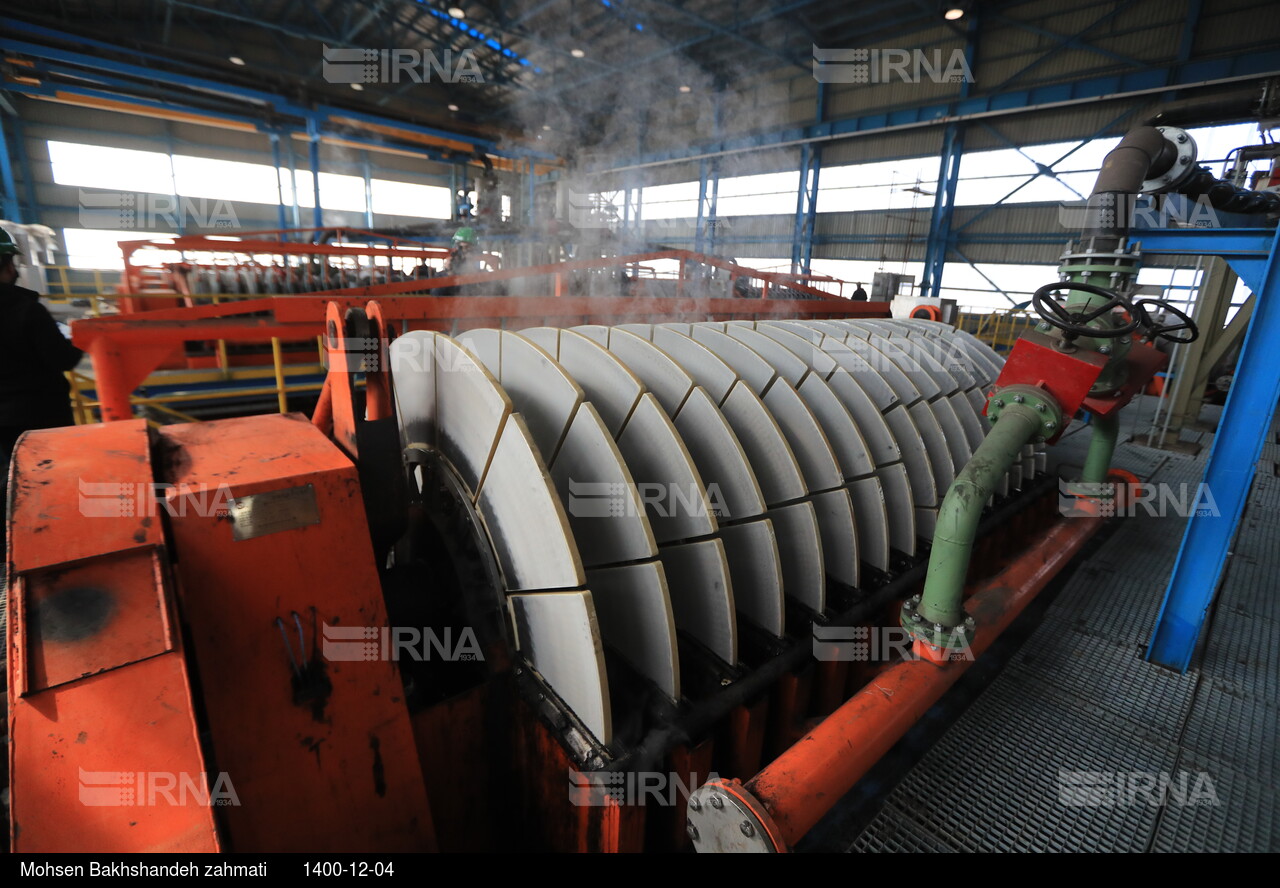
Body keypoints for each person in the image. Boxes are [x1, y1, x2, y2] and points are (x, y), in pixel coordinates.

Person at [0, 227, 84, 518]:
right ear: (9, 264)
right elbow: (63, 359)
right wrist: (78, 341)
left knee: (11, 490)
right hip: (40, 418)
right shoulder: (25, 310)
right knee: (53, 489)